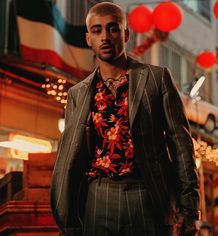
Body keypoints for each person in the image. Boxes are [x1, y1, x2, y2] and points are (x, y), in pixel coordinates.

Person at [50, 2, 200, 236]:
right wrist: (66, 216)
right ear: (88, 38)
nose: (105, 37)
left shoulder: (156, 79)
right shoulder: (77, 93)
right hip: (98, 197)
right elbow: (69, 156)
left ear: (126, 34)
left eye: (113, 28)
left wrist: (190, 210)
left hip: (147, 194)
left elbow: (181, 146)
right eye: (97, 30)